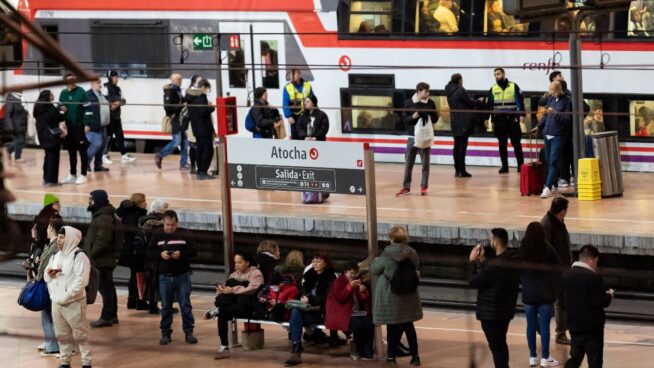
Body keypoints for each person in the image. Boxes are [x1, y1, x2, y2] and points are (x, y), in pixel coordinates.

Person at [468, 228, 520, 368]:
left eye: (491, 239)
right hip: (505, 312)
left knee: (497, 349)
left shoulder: (495, 266)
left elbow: (473, 281)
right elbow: (493, 276)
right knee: (501, 345)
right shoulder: (512, 260)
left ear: (496, 242)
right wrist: (483, 261)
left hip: (491, 314)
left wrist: (472, 262)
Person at [372, 226, 422, 366]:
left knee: (392, 327)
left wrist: (376, 260)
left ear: (392, 238)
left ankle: (391, 357)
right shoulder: (412, 253)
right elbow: (416, 265)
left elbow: (375, 270)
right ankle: (415, 357)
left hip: (391, 295)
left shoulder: (386, 255)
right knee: (409, 326)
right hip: (409, 295)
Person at [147, 210, 198, 345]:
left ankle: (189, 332)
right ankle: (165, 333)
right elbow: (148, 251)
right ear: (163, 222)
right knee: (165, 307)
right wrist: (160, 254)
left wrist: (181, 254)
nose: (170, 227)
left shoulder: (185, 233)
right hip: (164, 276)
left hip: (182, 275)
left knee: (185, 305)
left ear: (177, 222)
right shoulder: (158, 234)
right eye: (167, 225)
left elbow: (194, 251)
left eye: (173, 225)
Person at [44, 226, 92, 368]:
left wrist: (67, 295)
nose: (58, 240)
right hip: (56, 302)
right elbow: (47, 274)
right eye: (58, 237)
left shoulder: (79, 256)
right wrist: (50, 274)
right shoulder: (56, 255)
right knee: (62, 334)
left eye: (62, 237)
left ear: (71, 239)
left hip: (74, 302)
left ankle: (86, 362)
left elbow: (82, 281)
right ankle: (65, 361)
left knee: (80, 334)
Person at [561, 245, 612, 368]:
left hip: (574, 325)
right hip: (592, 327)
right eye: (596, 261)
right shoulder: (593, 277)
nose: (596, 265)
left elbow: (561, 301)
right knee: (595, 361)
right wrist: (609, 296)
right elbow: (599, 301)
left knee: (575, 358)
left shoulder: (566, 275)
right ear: (590, 259)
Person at [519, 222, 561, 367]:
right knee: (544, 327)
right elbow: (558, 267)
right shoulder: (548, 249)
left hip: (529, 293)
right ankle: (545, 358)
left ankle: (532, 357)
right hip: (545, 293)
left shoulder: (523, 249)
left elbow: (518, 269)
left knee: (530, 326)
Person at [284, 251, 337, 366]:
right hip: (307, 309)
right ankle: (296, 347)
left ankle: (296, 349)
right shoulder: (309, 275)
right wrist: (304, 297)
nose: (314, 264)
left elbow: (328, 297)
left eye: (318, 261)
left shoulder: (331, 278)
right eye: (313, 261)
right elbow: (302, 291)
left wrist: (311, 299)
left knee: (295, 315)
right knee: (295, 311)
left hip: (321, 312)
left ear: (326, 263)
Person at [213, 252, 264, 359]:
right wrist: (221, 290)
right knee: (222, 314)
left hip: (250, 305)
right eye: (235, 262)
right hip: (234, 304)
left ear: (247, 263)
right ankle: (224, 346)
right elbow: (226, 288)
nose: (236, 265)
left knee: (223, 310)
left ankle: (218, 309)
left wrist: (232, 290)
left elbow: (251, 290)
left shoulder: (256, 273)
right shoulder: (234, 274)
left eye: (239, 262)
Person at [532, 81, 573, 198]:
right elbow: (545, 116)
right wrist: (538, 126)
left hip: (558, 135)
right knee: (549, 161)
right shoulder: (550, 99)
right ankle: (553, 183)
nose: (549, 92)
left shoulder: (567, 101)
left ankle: (548, 186)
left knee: (553, 161)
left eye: (551, 89)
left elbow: (567, 120)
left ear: (558, 89)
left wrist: (555, 113)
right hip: (547, 134)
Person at [325, 261, 373, 361]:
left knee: (369, 324)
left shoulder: (357, 281)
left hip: (357, 312)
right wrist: (350, 286)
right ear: (345, 272)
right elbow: (341, 297)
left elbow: (363, 299)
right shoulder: (338, 282)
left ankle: (367, 352)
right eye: (350, 273)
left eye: (355, 272)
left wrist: (363, 291)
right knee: (358, 326)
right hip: (343, 313)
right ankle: (358, 350)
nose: (353, 275)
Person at [84, 189, 118, 328]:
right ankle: (112, 315)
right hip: (102, 259)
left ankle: (106, 316)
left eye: (91, 199)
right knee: (108, 287)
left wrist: (91, 254)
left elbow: (102, 240)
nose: (89, 202)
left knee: (104, 288)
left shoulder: (103, 217)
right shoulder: (102, 215)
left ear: (98, 200)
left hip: (101, 260)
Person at [541, 196, 572, 345]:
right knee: (560, 301)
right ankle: (560, 333)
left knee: (559, 301)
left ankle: (553, 329)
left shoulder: (558, 222)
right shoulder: (548, 225)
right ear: (562, 211)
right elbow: (546, 249)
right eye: (567, 209)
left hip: (562, 269)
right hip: (555, 270)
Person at [396, 82, 436, 197]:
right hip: (412, 137)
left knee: (425, 164)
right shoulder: (409, 103)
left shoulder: (431, 103)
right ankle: (406, 187)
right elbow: (404, 119)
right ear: (418, 91)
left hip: (425, 138)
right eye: (426, 91)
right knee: (408, 163)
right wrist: (413, 117)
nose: (428, 93)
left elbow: (435, 119)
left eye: (428, 91)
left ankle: (424, 187)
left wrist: (428, 115)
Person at [445, 73, 485, 178]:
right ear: (459, 80)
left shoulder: (449, 91)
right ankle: (462, 171)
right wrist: (479, 101)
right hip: (463, 121)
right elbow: (470, 102)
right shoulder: (460, 90)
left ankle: (457, 171)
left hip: (454, 121)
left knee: (456, 146)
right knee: (462, 147)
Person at [35, 215, 64, 357]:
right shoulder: (51, 244)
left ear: (52, 228)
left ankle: (54, 347)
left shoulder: (54, 246)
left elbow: (47, 265)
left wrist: (38, 276)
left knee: (50, 316)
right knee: (48, 316)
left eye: (48, 227)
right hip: (48, 284)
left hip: (50, 285)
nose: (46, 230)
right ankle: (50, 343)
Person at [488, 67, 526, 174]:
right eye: (495, 75)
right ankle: (504, 166)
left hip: (512, 120)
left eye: (498, 74)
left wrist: (522, 114)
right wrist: (487, 119)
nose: (497, 76)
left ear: (503, 74)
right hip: (499, 121)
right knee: (502, 144)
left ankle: (520, 166)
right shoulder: (493, 88)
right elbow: (489, 106)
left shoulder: (513, 86)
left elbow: (520, 101)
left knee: (516, 143)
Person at [134, 198, 168, 314]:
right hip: (155, 256)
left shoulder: (144, 220)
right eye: (165, 207)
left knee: (150, 281)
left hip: (146, 256)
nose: (167, 210)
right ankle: (155, 305)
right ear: (159, 209)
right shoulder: (158, 224)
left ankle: (147, 304)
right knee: (156, 281)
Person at [116, 193, 149, 310]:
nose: (146, 203)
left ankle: (132, 300)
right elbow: (133, 232)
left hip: (129, 249)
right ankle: (139, 301)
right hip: (134, 250)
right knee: (138, 275)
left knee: (134, 275)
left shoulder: (129, 213)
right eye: (144, 201)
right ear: (139, 203)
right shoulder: (133, 215)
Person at [59, 73, 90, 185]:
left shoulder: (81, 92)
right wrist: (61, 112)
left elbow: (88, 109)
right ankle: (72, 174)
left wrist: (87, 124)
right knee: (71, 151)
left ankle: (83, 174)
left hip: (79, 126)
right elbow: (60, 108)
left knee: (82, 151)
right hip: (68, 127)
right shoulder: (63, 93)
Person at [155, 73, 188, 170]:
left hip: (180, 120)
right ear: (172, 80)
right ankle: (160, 155)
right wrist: (181, 106)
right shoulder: (170, 91)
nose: (180, 81)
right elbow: (167, 106)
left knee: (184, 143)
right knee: (176, 142)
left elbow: (183, 100)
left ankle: (183, 164)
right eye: (178, 79)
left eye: (181, 79)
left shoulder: (178, 91)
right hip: (174, 120)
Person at [34, 90, 66, 186]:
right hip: (52, 136)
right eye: (51, 94)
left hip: (43, 136)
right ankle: (52, 181)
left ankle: (46, 179)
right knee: (53, 158)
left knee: (47, 157)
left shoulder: (38, 106)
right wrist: (64, 111)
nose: (53, 95)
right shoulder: (49, 107)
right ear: (47, 96)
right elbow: (59, 117)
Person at [103, 70, 136, 165]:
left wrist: (117, 104)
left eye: (117, 77)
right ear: (110, 78)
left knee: (120, 136)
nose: (117, 79)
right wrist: (111, 106)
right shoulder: (106, 88)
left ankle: (124, 155)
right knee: (108, 137)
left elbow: (124, 101)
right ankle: (104, 155)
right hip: (109, 117)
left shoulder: (118, 89)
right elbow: (103, 101)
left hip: (117, 117)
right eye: (115, 77)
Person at [186, 79, 216, 180]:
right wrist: (211, 108)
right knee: (208, 150)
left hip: (196, 128)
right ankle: (203, 172)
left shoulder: (190, 97)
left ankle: (200, 171)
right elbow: (203, 112)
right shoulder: (201, 97)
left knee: (200, 149)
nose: (207, 91)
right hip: (204, 128)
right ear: (203, 87)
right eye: (208, 89)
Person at [85, 79, 111, 173]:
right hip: (93, 126)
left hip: (103, 126)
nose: (100, 84)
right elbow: (85, 110)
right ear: (92, 84)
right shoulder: (88, 95)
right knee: (96, 145)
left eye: (100, 82)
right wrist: (87, 124)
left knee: (102, 146)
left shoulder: (101, 95)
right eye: (98, 83)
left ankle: (98, 166)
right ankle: (85, 164)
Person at [283, 68, 315, 140]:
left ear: (299, 75)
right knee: (295, 137)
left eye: (294, 74)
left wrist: (313, 110)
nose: (292, 76)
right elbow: (285, 103)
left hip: (306, 115)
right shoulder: (287, 87)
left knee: (307, 135)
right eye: (291, 74)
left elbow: (313, 99)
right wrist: (289, 116)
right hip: (294, 117)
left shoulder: (307, 85)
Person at [4, 90, 28, 162]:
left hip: (22, 124)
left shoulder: (22, 99)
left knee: (22, 142)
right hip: (15, 125)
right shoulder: (11, 99)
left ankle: (8, 150)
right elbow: (8, 113)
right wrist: (10, 125)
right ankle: (18, 158)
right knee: (19, 141)